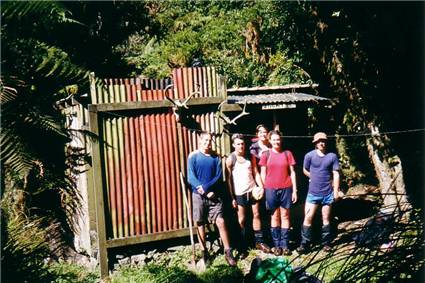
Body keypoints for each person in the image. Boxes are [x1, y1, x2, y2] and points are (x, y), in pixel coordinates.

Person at [187, 131, 237, 266]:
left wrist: (207, 189)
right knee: (200, 223)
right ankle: (204, 253)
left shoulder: (215, 158)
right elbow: (191, 177)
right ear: (200, 141)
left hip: (214, 195)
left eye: (210, 140)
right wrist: (201, 189)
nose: (208, 143)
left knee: (221, 221)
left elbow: (218, 176)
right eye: (205, 140)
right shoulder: (193, 156)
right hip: (198, 196)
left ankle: (228, 252)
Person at [225, 134, 271, 257]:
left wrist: (260, 186)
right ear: (234, 145)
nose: (241, 146)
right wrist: (232, 197)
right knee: (242, 220)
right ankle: (242, 247)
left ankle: (259, 242)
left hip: (252, 190)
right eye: (238, 144)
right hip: (240, 192)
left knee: (256, 214)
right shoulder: (230, 159)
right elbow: (228, 180)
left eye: (242, 143)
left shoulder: (250, 157)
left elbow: (256, 172)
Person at [297, 132, 341, 254]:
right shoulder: (309, 156)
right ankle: (305, 244)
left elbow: (336, 174)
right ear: (315, 143)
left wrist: (336, 192)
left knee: (326, 218)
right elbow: (305, 170)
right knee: (308, 217)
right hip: (313, 193)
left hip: (327, 193)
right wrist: (313, 176)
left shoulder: (332, 156)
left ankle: (326, 243)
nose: (322, 143)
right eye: (319, 141)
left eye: (324, 141)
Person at [259, 130, 298, 256]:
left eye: (278, 139)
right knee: (274, 216)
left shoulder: (287, 154)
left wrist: (295, 190)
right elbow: (263, 173)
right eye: (274, 139)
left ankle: (285, 245)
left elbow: (292, 172)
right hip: (271, 189)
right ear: (270, 141)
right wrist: (264, 188)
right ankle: (277, 246)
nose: (276, 141)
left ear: (281, 140)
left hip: (286, 188)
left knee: (285, 215)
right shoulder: (266, 154)